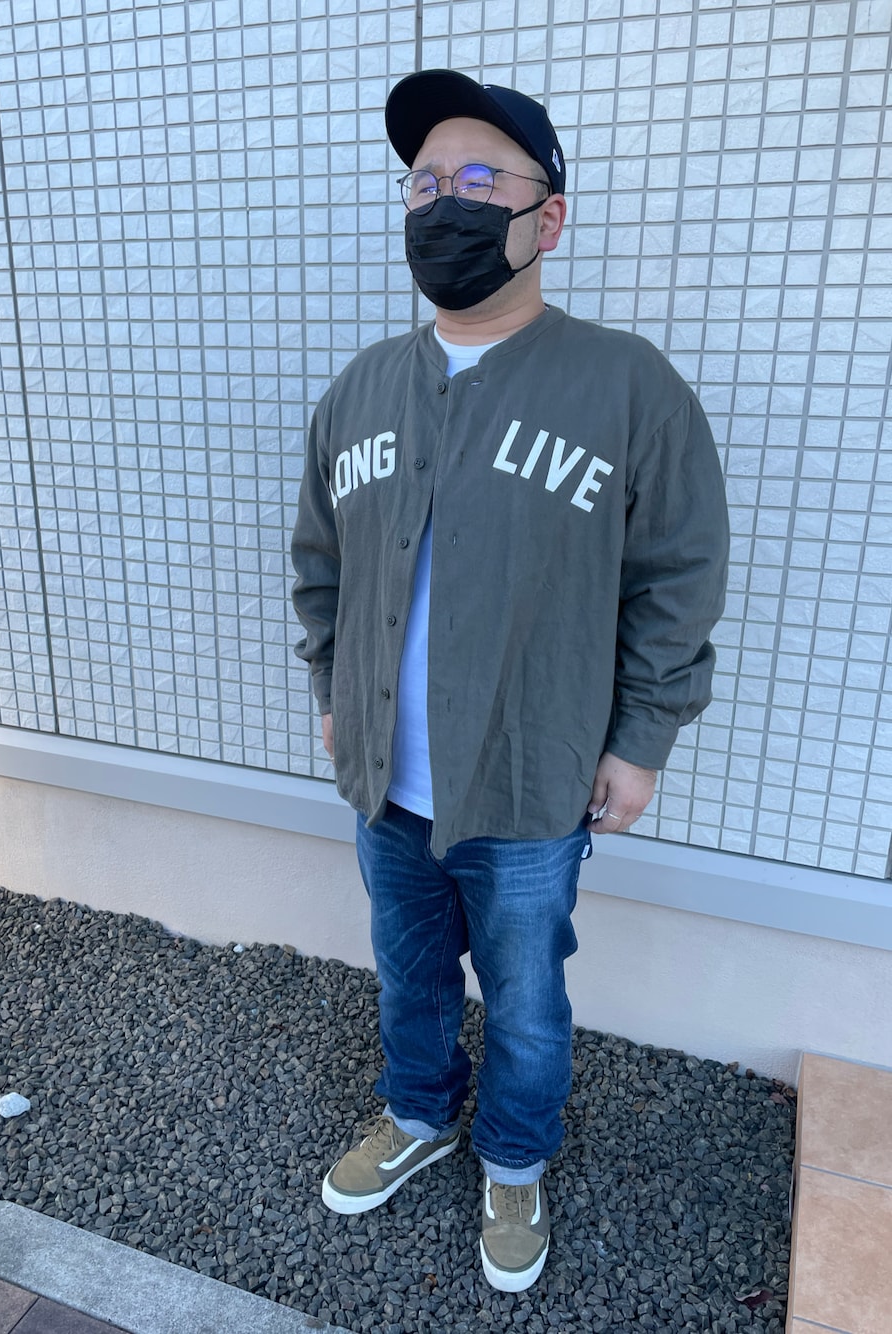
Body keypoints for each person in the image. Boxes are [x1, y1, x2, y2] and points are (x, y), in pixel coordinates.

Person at [290, 68, 729, 1293]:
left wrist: (640, 737)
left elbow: (678, 570)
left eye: (481, 179)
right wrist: (331, 691)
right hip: (388, 777)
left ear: (549, 215)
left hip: (533, 779)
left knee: (527, 994)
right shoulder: (360, 391)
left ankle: (517, 1155)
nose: (446, 201)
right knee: (409, 970)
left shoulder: (625, 385)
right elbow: (320, 563)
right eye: (425, 181)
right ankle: (419, 1110)